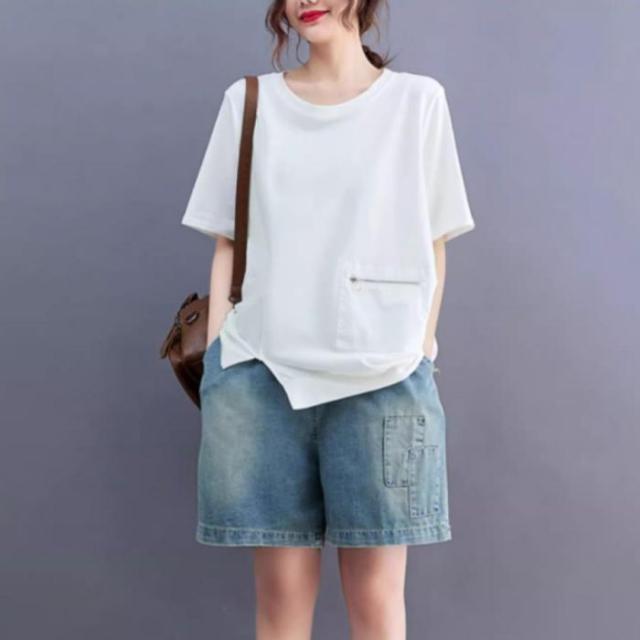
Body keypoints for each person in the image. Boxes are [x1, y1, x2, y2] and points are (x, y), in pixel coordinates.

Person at [180, 1, 476, 638]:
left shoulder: (417, 102)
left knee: (376, 604)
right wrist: (225, 348)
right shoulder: (250, 102)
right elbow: (228, 240)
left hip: (382, 378)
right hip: (263, 376)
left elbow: (434, 240)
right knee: (280, 607)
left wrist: (420, 346)